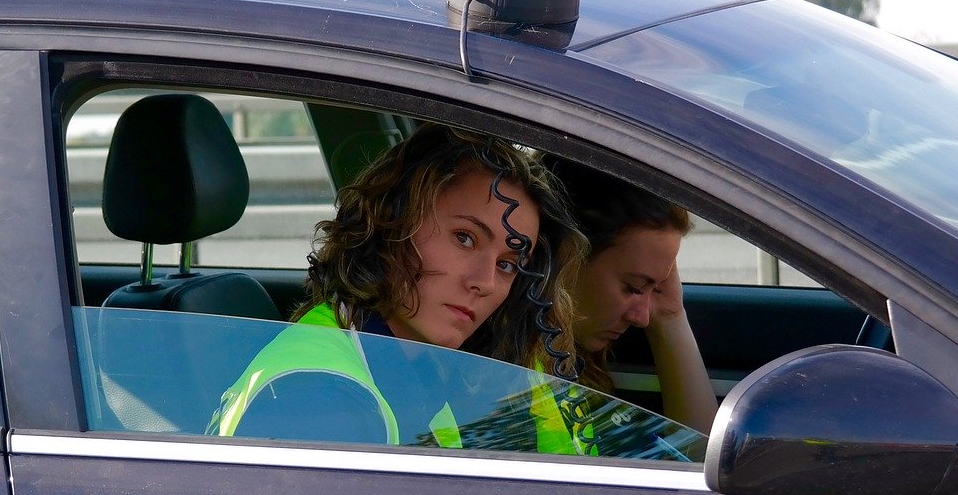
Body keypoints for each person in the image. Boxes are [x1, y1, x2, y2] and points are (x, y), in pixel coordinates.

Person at [209, 123, 587, 449]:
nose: (485, 282)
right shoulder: (322, 401)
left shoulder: (412, 365)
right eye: (465, 238)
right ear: (392, 222)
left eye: (507, 265)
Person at [543, 155, 718, 435]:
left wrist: (671, 316)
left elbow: (700, 461)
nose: (642, 317)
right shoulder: (507, 367)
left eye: (656, 287)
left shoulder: (570, 361)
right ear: (567, 255)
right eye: (634, 287)